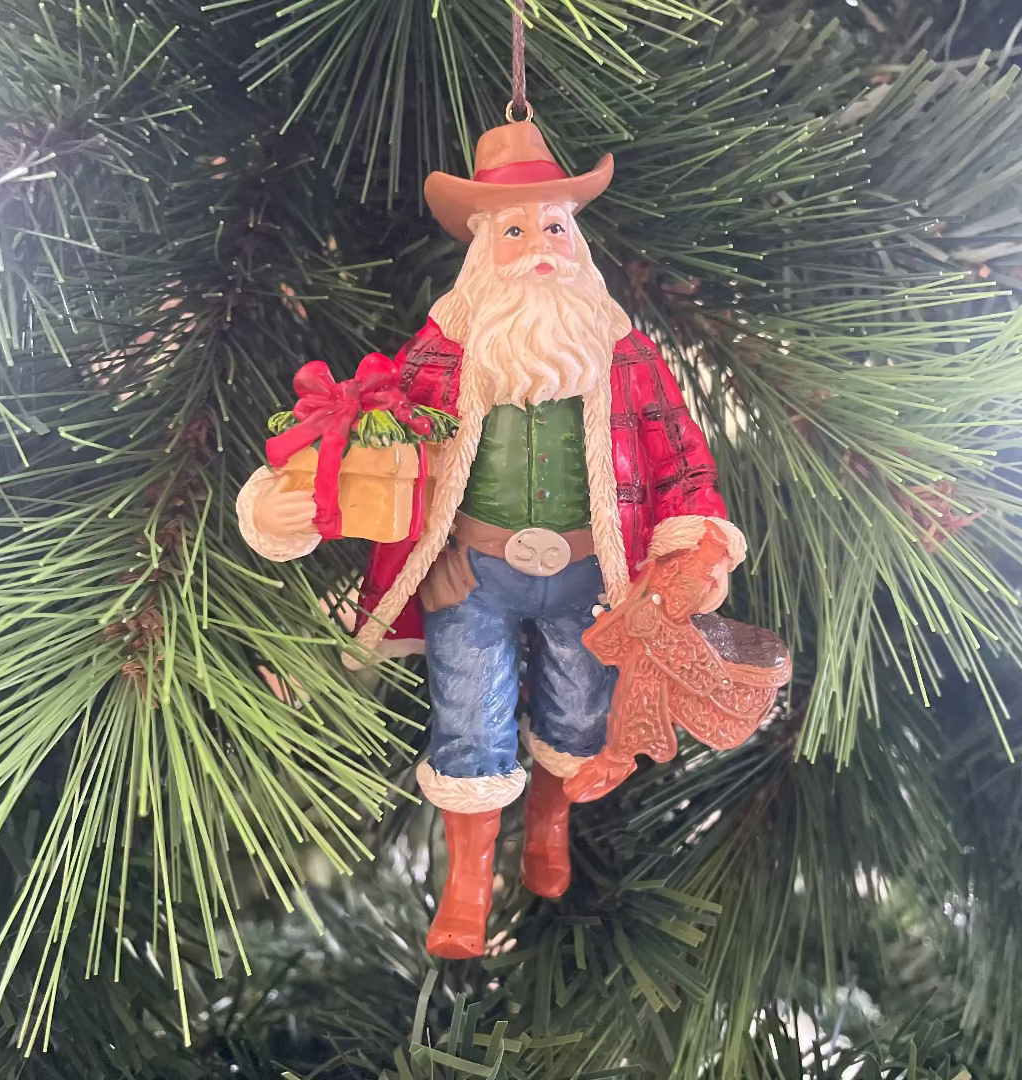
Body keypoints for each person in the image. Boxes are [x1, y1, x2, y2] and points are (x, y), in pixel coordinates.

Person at [236, 120, 745, 958]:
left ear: (577, 241)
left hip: (591, 578)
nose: (538, 247)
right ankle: (467, 883)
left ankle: (548, 822)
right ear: (482, 250)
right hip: (469, 574)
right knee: (469, 719)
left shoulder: (623, 354)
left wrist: (699, 544)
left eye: (554, 227)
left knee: (580, 712)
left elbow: (681, 458)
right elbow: (366, 434)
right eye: (514, 231)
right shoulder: (441, 354)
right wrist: (291, 500)